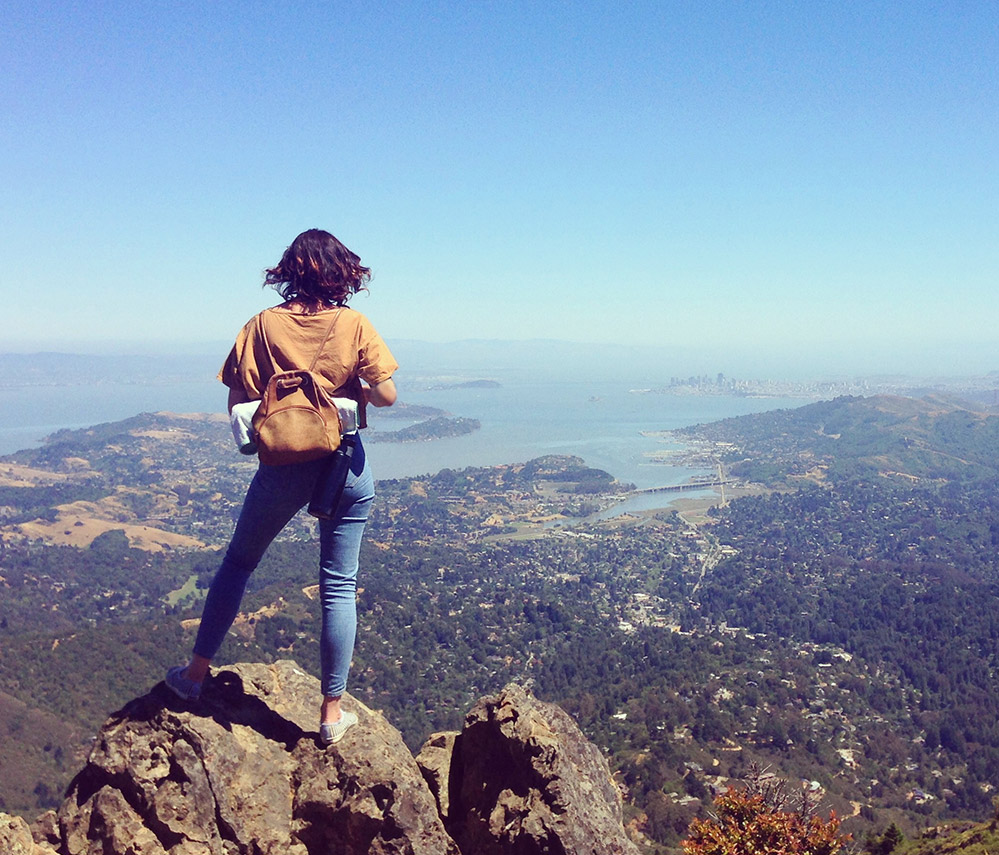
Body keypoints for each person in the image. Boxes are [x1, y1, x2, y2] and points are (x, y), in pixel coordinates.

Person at [165, 229, 398, 746]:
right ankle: (331, 714)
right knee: (339, 585)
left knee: (238, 564)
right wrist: (351, 386)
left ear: (288, 272)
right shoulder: (353, 324)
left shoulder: (262, 325)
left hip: (282, 469)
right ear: (343, 273)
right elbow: (386, 395)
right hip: (345, 466)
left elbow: (236, 400)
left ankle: (195, 676)